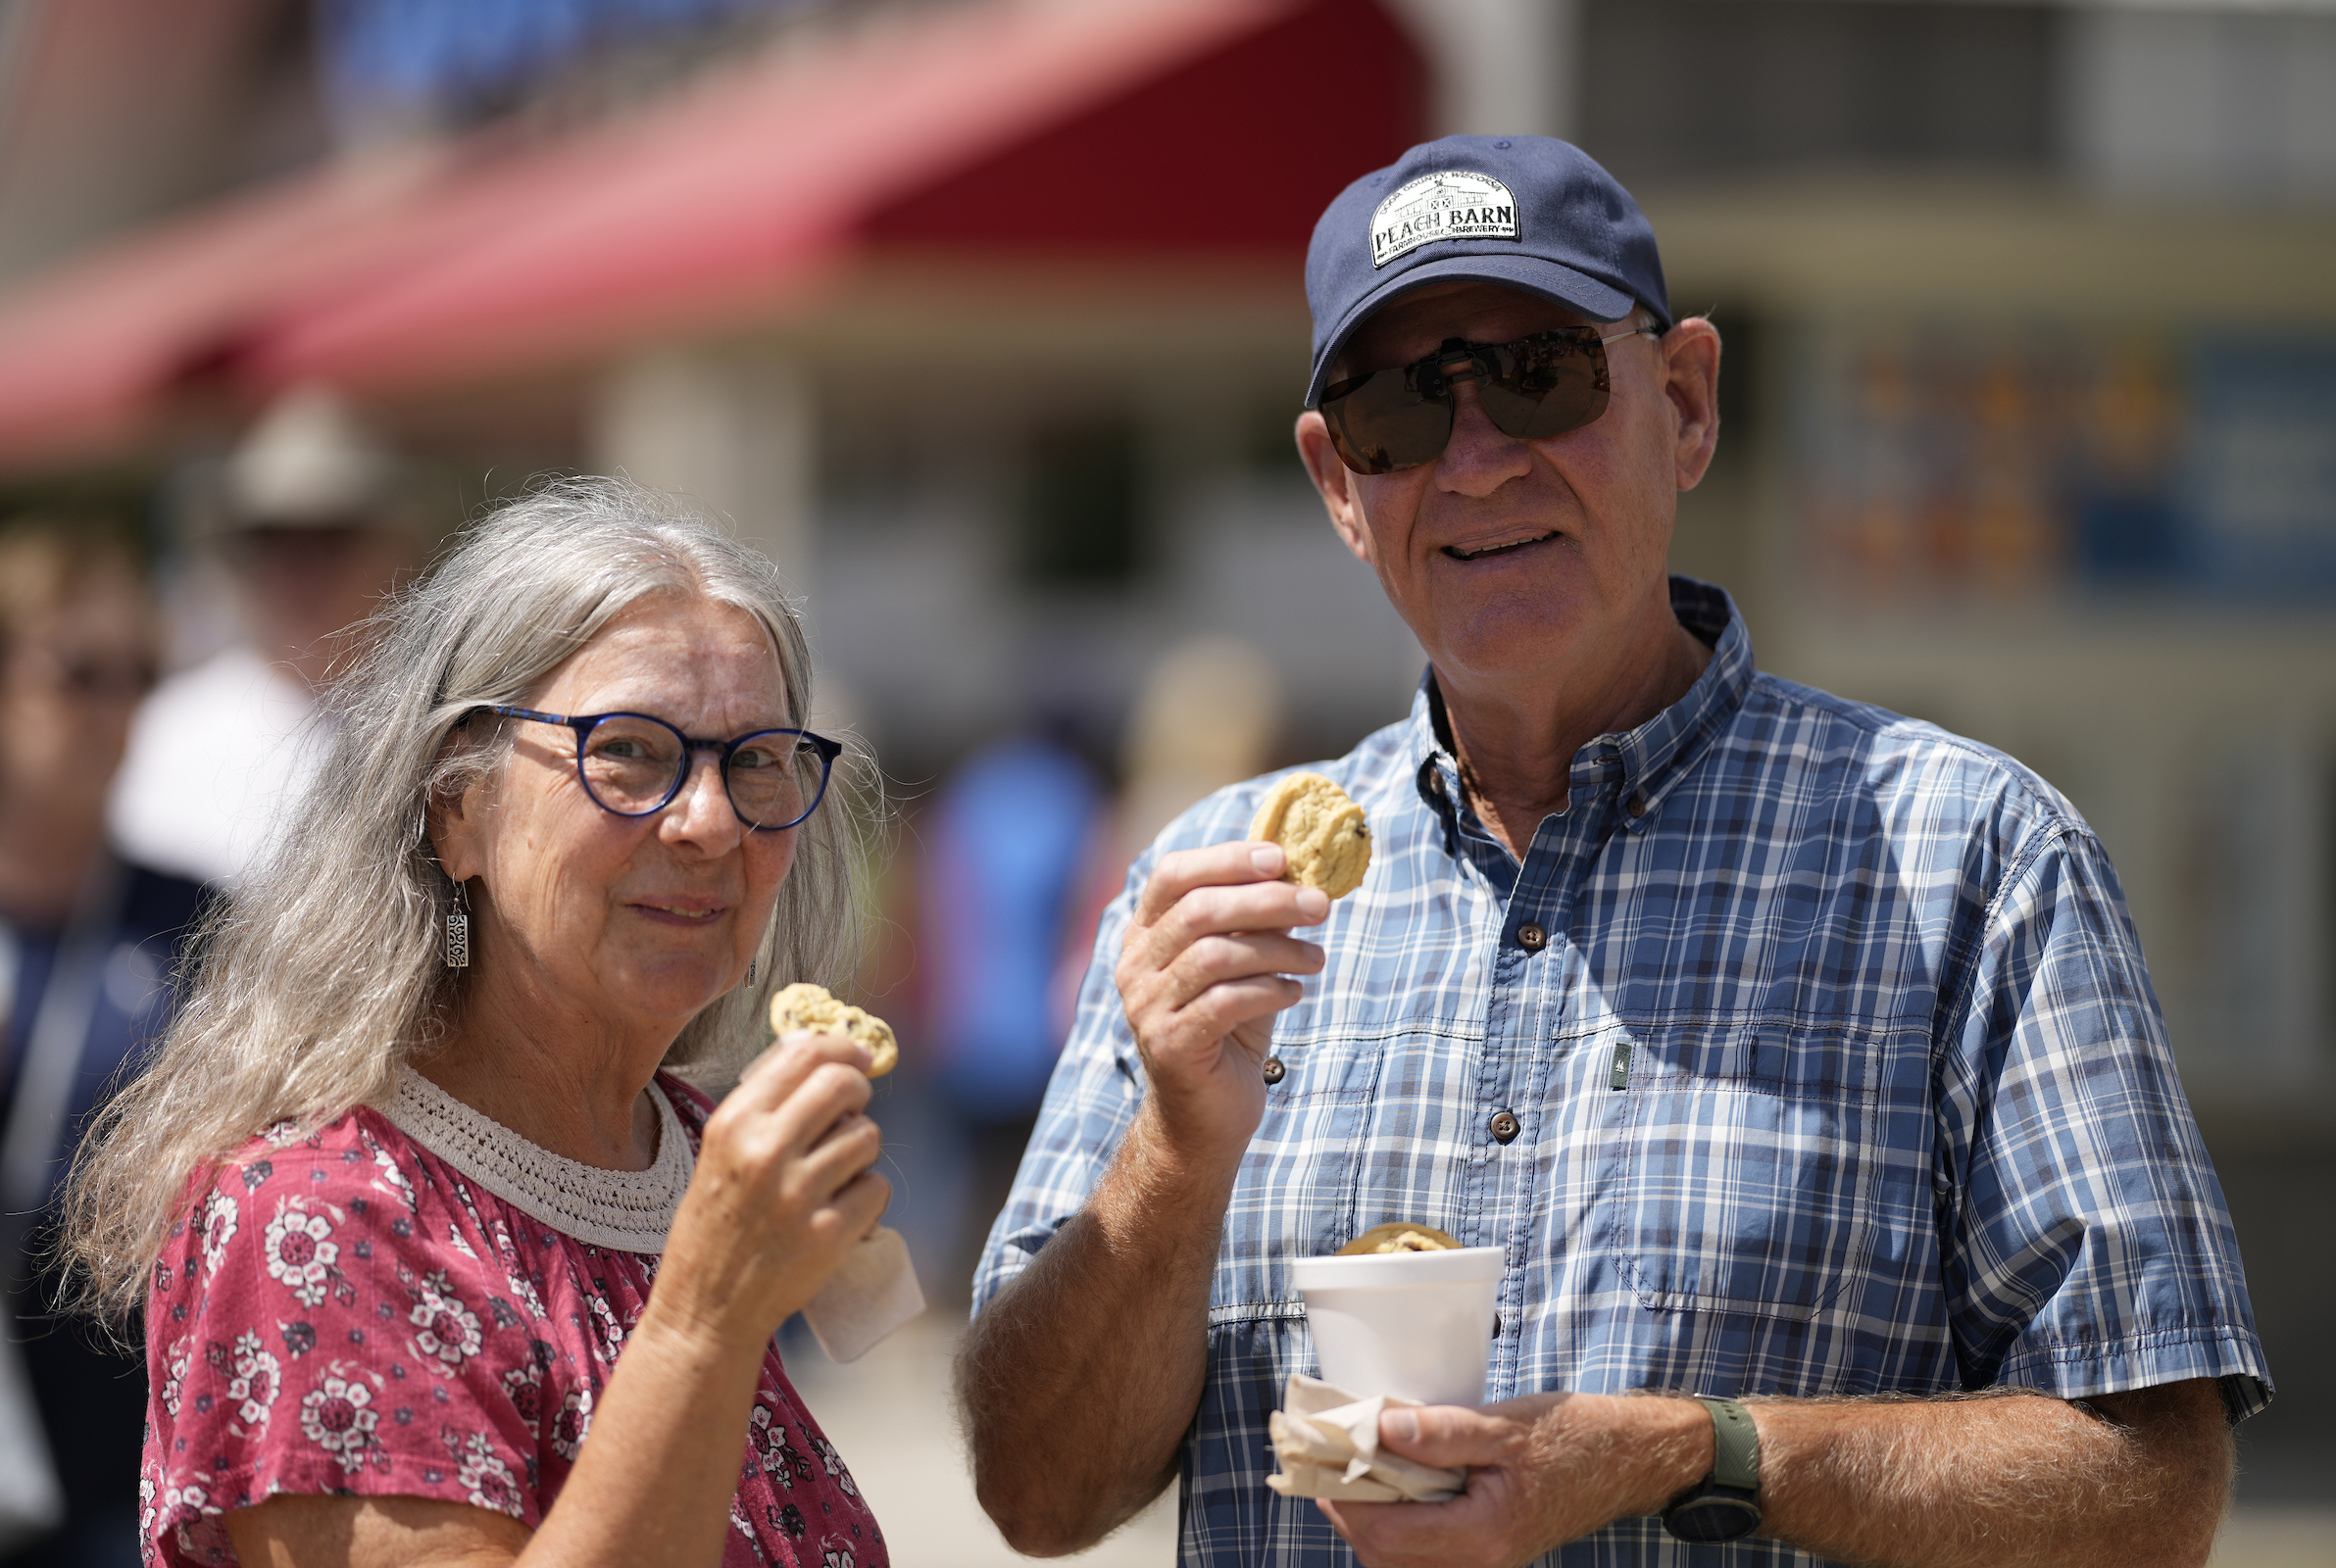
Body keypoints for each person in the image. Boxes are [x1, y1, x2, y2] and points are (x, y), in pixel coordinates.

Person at [959, 136, 2267, 1568]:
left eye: (1540, 375)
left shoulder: (1972, 857)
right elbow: (1038, 1494)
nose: (1471, 461)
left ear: (1685, 401)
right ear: (1342, 487)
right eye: (1398, 410)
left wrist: (1682, 1454)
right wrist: (1176, 1159)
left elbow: (2154, 1492)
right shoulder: (1214, 882)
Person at [63, 478, 891, 1567]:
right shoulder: (319, 1218)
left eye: (754, 760)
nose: (709, 821)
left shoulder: (695, 1149)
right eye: (631, 750)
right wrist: (706, 1315)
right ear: (458, 810)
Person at [0, 518, 209, 1568]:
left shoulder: (206, 924)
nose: (118, 709)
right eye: (79, 672)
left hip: (132, 1462)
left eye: (141, 673)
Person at [110, 385, 432, 885]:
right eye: (272, 540)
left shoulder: (437, 730)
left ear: (392, 555)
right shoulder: (161, 735)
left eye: (331, 538)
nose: (299, 570)